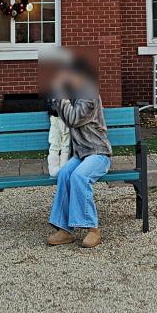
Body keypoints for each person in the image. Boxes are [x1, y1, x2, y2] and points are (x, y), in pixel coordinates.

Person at [45, 56, 112, 248]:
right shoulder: (73, 93)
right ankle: (65, 230)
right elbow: (55, 108)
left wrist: (59, 94)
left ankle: (93, 228)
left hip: (98, 153)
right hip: (82, 154)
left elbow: (73, 119)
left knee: (79, 176)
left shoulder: (89, 93)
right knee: (65, 173)